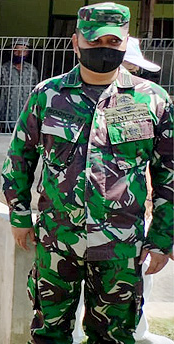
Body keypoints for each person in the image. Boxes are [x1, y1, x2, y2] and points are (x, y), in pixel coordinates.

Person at [3, 2, 173, 344]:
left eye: (112, 43)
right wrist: (19, 216)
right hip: (57, 243)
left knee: (112, 337)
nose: (103, 50)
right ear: (76, 41)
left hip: (120, 248)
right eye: (94, 42)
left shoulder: (152, 99)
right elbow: (19, 158)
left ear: (126, 42)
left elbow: (169, 174)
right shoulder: (47, 95)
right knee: (49, 334)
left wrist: (163, 238)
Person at [71, 37, 172, 344]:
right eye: (129, 65)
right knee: (69, 316)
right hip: (71, 233)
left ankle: (138, 333)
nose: (130, 73)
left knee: (126, 308)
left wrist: (162, 234)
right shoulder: (66, 97)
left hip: (127, 232)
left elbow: (162, 167)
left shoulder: (150, 100)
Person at [0, 38, 40, 133]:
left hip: (27, 121)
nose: (20, 53)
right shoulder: (3, 70)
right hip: (7, 120)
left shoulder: (32, 71)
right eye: (17, 49)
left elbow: (36, 96)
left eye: (24, 50)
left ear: (28, 52)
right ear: (11, 51)